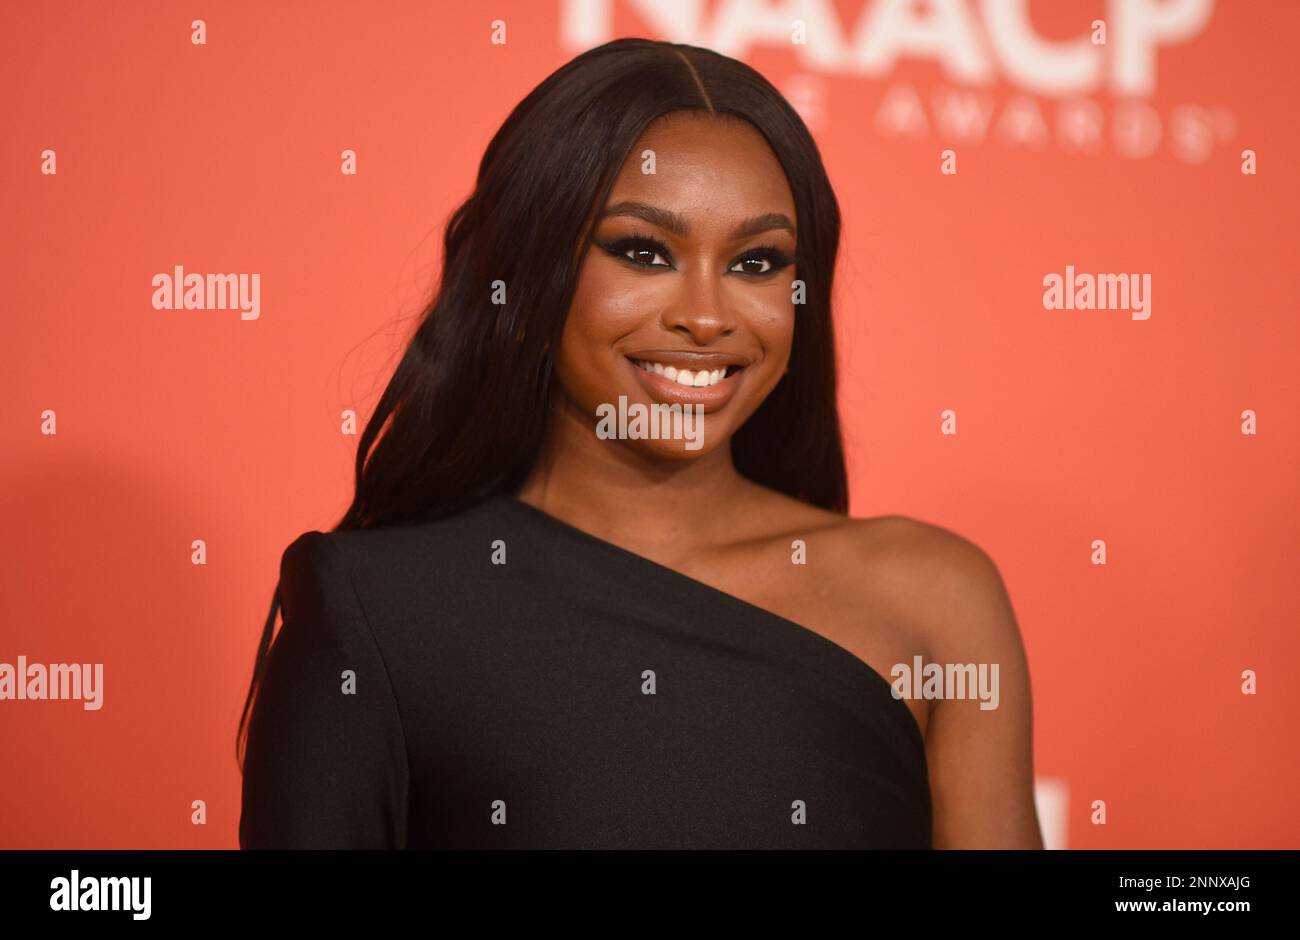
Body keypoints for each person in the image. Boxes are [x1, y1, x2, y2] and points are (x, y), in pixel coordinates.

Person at [236, 37, 1042, 849]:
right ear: (528, 271)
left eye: (757, 262)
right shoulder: (377, 609)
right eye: (643, 252)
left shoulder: (936, 598)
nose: (707, 315)